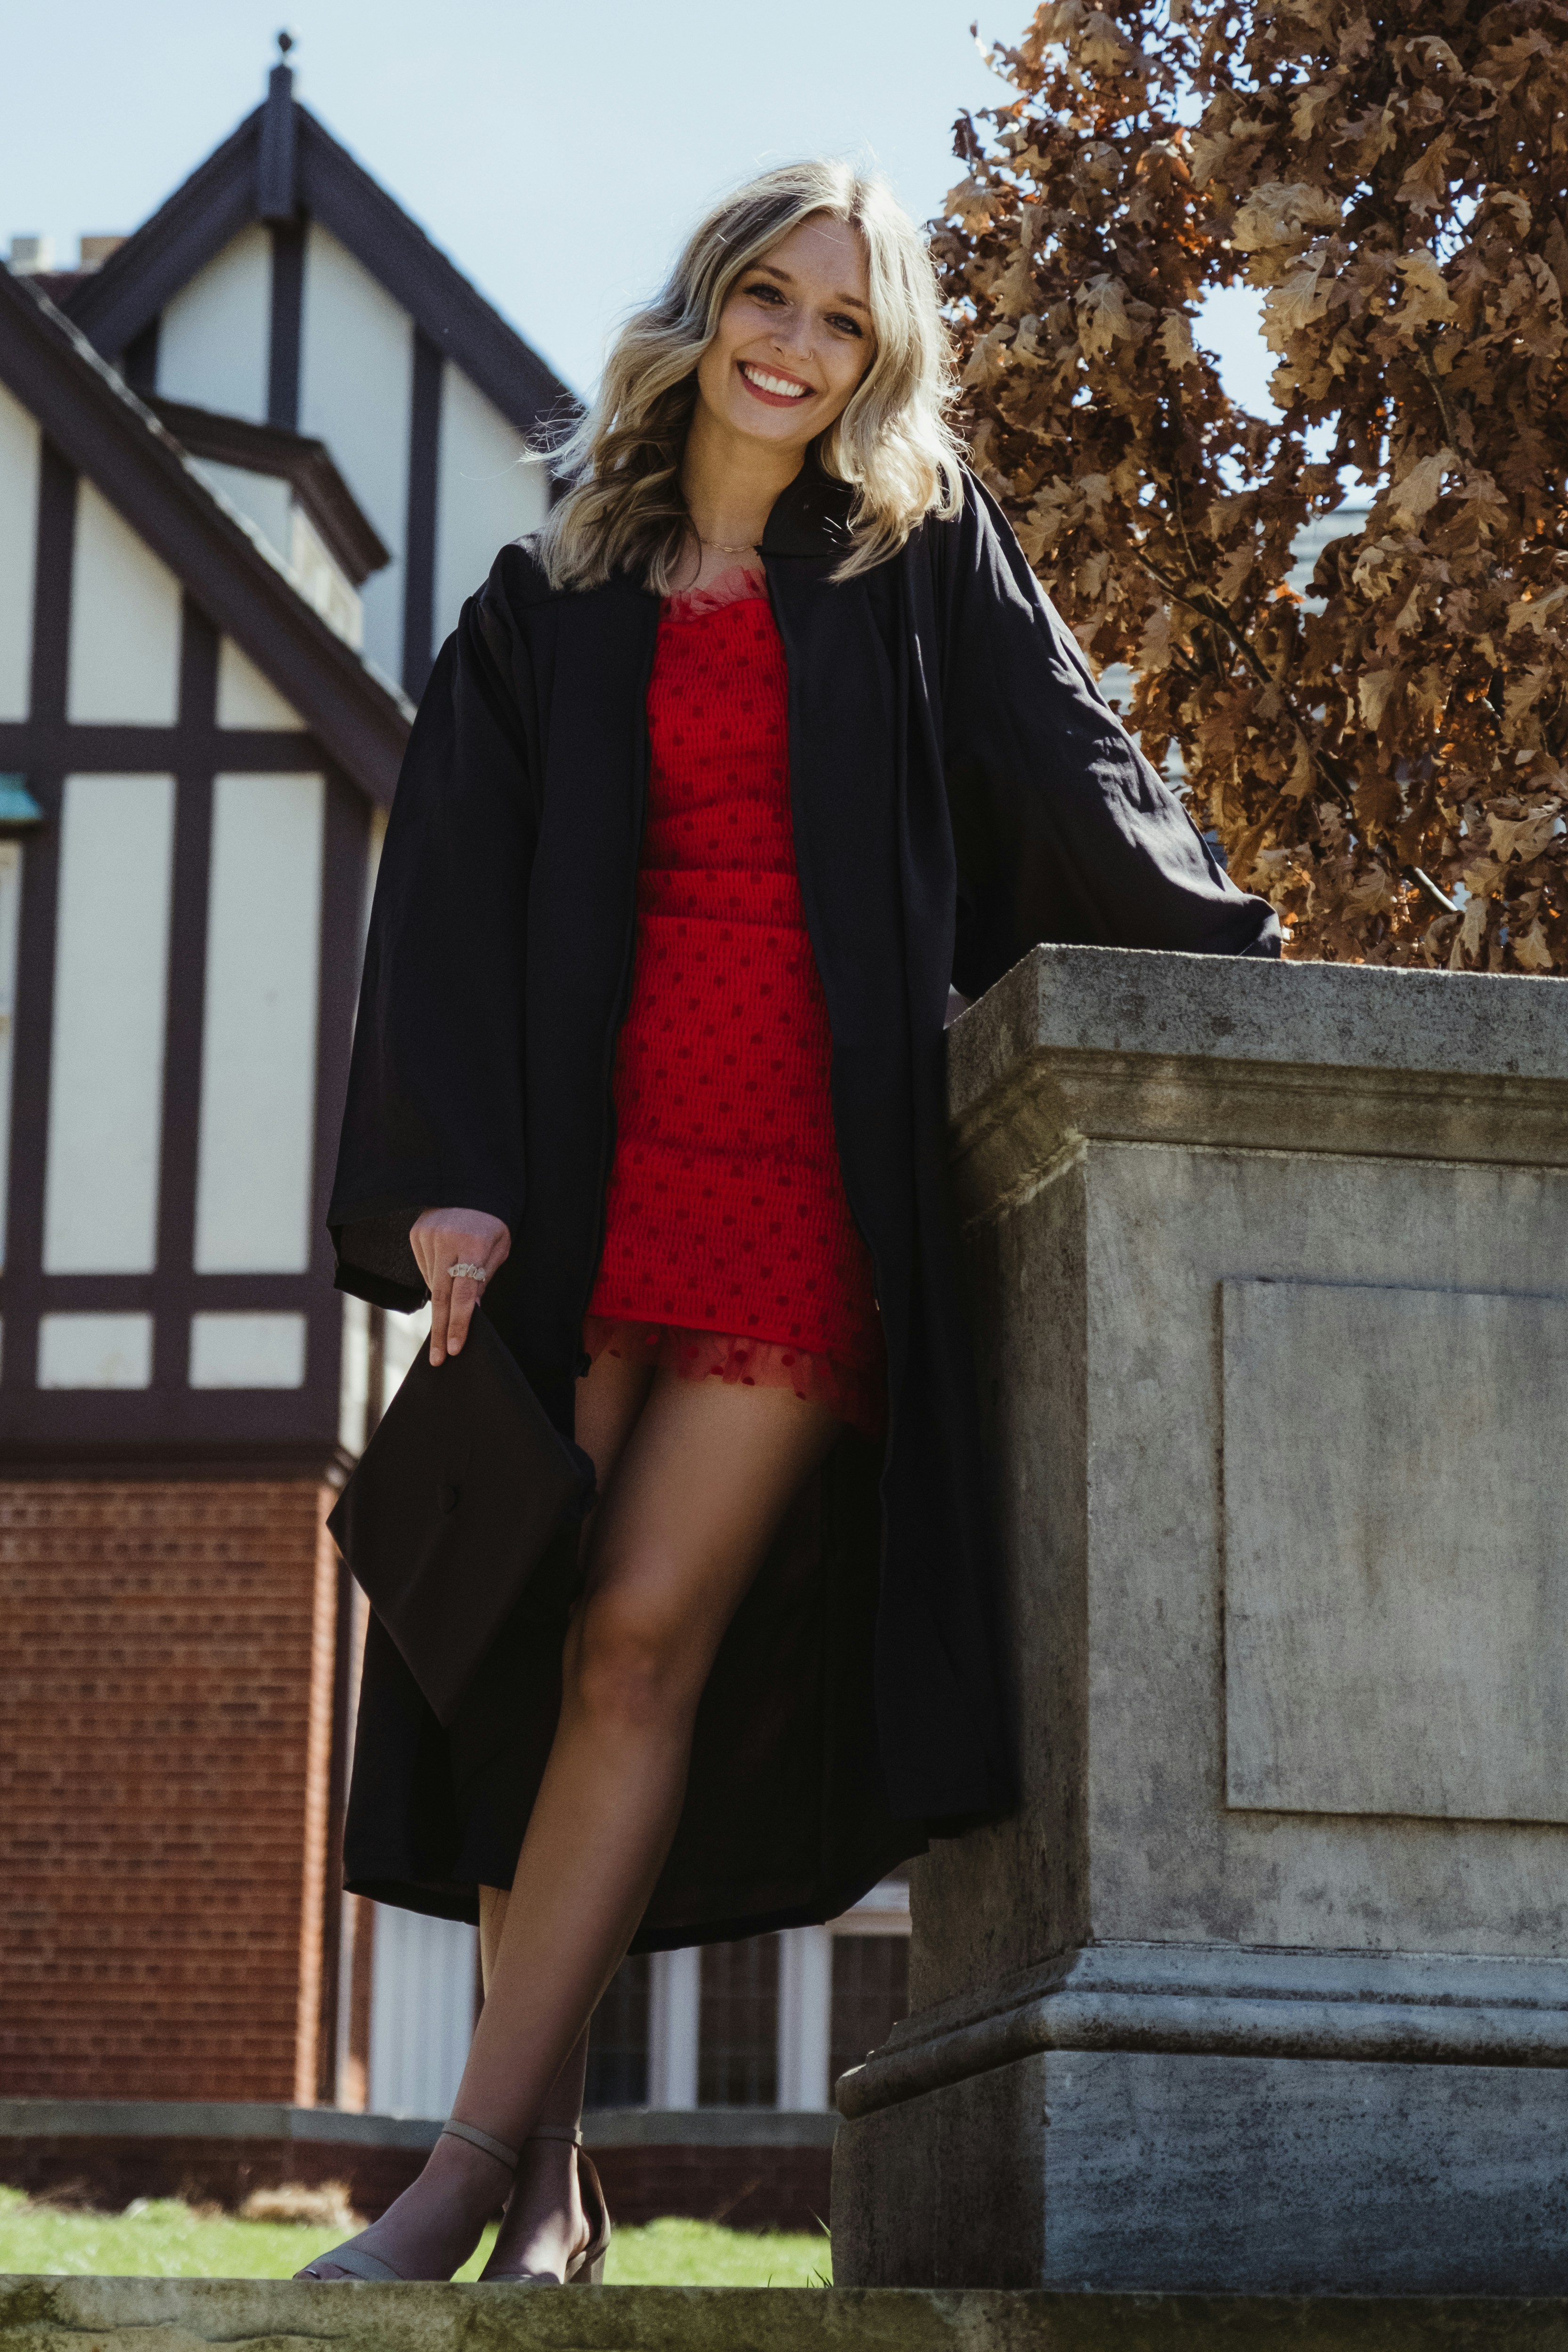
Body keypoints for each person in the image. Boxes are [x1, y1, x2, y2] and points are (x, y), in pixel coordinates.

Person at [307, 158, 1277, 2286]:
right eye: (771, 294)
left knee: (641, 1634)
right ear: (706, 306)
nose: (797, 344)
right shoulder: (547, 598)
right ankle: (543, 2187)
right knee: (531, 1649)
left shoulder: (916, 560)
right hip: (583, 1171)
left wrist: (1239, 960)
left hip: (796, 1174)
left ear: (877, 360)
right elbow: (447, 896)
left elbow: (1069, 770)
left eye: (846, 319)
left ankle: (454, 2179)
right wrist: (448, 1178)